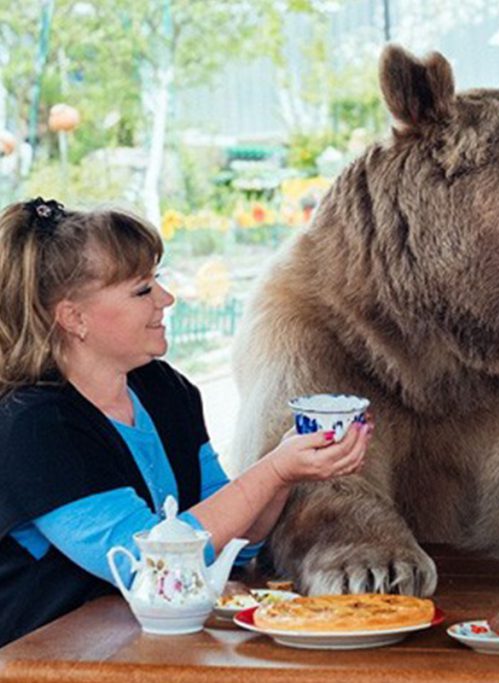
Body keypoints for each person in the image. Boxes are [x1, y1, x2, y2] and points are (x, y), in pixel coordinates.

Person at [0, 198, 372, 646]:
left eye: (158, 280)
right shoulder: (35, 427)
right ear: (73, 317)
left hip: (144, 653)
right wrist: (274, 469)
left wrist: (289, 470)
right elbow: (150, 564)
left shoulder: (163, 389)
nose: (166, 299)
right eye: (142, 290)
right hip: (45, 666)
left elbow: (236, 541)